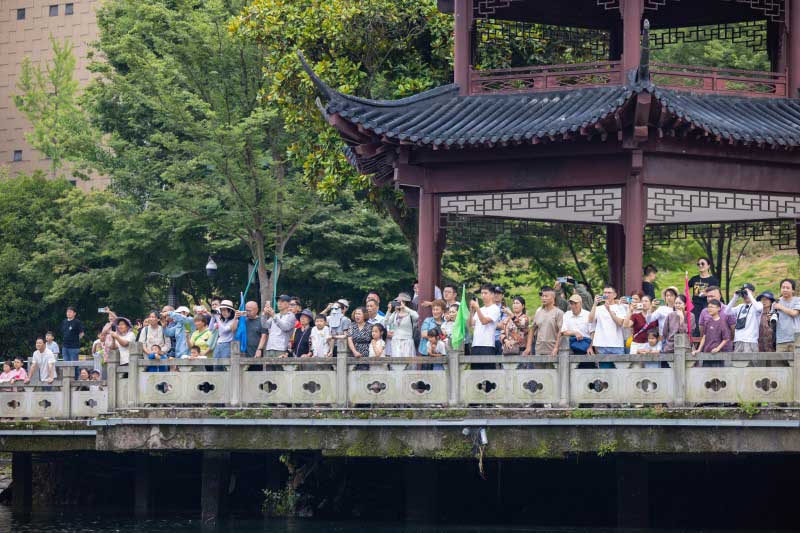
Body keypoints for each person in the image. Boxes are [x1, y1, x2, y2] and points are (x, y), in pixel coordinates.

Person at [588, 286, 628, 368]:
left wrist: (609, 310)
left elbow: (621, 323)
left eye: (609, 293)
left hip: (617, 345)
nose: (606, 295)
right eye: (605, 292)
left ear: (615, 295)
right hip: (602, 345)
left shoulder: (620, 307)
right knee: (605, 373)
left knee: (620, 372)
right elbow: (590, 320)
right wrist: (595, 304)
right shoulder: (598, 308)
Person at [724, 284, 763, 356]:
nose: (745, 295)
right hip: (738, 340)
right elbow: (726, 312)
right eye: (744, 293)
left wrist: (749, 295)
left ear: (753, 293)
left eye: (747, 292)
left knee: (750, 362)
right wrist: (735, 297)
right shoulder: (740, 307)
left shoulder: (757, 304)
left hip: (750, 341)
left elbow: (759, 308)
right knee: (738, 362)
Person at [469, 284, 501, 369]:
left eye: (485, 293)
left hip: (488, 346)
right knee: (475, 374)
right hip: (475, 345)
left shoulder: (495, 309)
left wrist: (477, 308)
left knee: (488, 374)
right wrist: (472, 311)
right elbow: (471, 324)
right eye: (482, 293)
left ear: (492, 294)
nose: (483, 295)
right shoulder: (480, 309)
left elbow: (484, 321)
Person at [558, 294, 593, 368]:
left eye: (575, 303)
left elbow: (592, 332)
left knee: (587, 370)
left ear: (581, 303)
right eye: (571, 303)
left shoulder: (588, 314)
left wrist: (590, 347)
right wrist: (575, 333)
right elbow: (563, 332)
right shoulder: (567, 314)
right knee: (571, 370)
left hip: (586, 346)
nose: (573, 306)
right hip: (571, 347)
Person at [692, 299, 730, 367]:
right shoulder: (708, 322)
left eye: (712, 307)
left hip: (717, 354)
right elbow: (704, 337)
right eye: (708, 307)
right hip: (706, 352)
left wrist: (718, 348)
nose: (709, 309)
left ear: (718, 308)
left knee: (717, 373)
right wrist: (699, 350)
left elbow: (726, 339)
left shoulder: (722, 322)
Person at [385, 293, 419, 368]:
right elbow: (386, 323)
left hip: (407, 341)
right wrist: (389, 311)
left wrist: (405, 308)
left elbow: (417, 317)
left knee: (408, 366)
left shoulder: (410, 314)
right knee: (396, 366)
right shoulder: (395, 314)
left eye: (400, 301)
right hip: (396, 341)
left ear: (405, 302)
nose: (398, 303)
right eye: (397, 301)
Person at [689, 258, 720, 336]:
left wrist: (707, 294)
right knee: (696, 325)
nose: (700, 265)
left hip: (708, 305)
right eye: (698, 264)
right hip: (695, 306)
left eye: (702, 264)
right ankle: (696, 342)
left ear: (708, 266)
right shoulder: (694, 279)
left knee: (707, 324)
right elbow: (686, 289)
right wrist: (688, 300)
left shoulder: (713, 280)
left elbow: (717, 294)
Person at [698, 286, 735, 352]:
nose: (710, 299)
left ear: (719, 296)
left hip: (725, 349)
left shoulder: (728, 310)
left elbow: (733, 328)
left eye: (712, 296)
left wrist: (730, 340)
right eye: (708, 296)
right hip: (708, 348)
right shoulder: (704, 311)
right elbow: (702, 330)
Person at [626, 295, 660, 368]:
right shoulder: (635, 316)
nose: (644, 303)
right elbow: (626, 325)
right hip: (637, 345)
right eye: (642, 301)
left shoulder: (655, 316)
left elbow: (659, 331)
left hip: (650, 345)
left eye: (646, 301)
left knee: (650, 369)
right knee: (635, 368)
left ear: (651, 303)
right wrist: (630, 311)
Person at [262, 295, 297, 359]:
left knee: (279, 366)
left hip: (281, 349)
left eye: (282, 301)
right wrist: (264, 314)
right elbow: (265, 325)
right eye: (278, 301)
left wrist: (273, 316)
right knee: (267, 366)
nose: (279, 303)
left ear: (288, 304)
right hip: (269, 348)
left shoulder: (291, 316)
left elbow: (285, 328)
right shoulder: (276, 315)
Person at [501, 296, 530, 369]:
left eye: (517, 303)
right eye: (513, 303)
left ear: (523, 306)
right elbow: (502, 333)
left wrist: (511, 314)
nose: (515, 305)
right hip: (507, 351)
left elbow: (520, 325)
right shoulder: (507, 319)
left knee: (520, 374)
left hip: (520, 351)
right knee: (506, 374)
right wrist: (506, 340)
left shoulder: (525, 318)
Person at [773, 279, 800, 353]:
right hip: (781, 339)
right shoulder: (776, 302)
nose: (785, 290)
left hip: (796, 339)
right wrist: (769, 318)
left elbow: (794, 313)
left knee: (797, 360)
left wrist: (780, 307)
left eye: (788, 288)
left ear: (793, 290)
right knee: (780, 360)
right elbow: (772, 320)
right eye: (783, 287)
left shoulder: (798, 300)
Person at [60, 306, 85, 378]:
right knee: (66, 364)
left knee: (74, 364)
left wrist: (76, 339)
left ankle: (76, 379)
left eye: (70, 312)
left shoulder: (77, 322)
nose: (68, 313)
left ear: (74, 313)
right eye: (67, 312)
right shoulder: (64, 322)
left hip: (74, 347)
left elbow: (82, 333)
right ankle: (67, 379)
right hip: (65, 346)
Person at [493, 286, 507, 354]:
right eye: (495, 293)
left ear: (502, 295)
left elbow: (503, 326)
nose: (496, 295)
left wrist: (489, 323)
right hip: (488, 341)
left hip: (500, 340)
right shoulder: (488, 308)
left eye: (498, 293)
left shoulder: (505, 309)